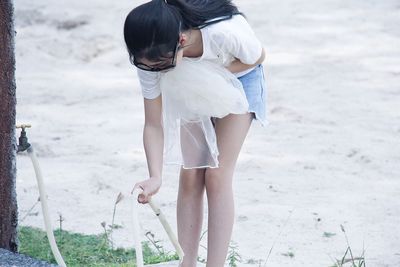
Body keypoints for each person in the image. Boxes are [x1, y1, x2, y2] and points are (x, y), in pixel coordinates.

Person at [123, 0, 267, 266]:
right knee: (191, 172)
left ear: (181, 40)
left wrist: (211, 75)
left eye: (158, 66)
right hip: (188, 82)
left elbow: (258, 57)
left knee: (216, 174)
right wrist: (155, 175)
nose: (153, 71)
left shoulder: (224, 34)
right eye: (146, 66)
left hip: (240, 78)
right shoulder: (151, 57)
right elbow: (153, 123)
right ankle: (185, 262)